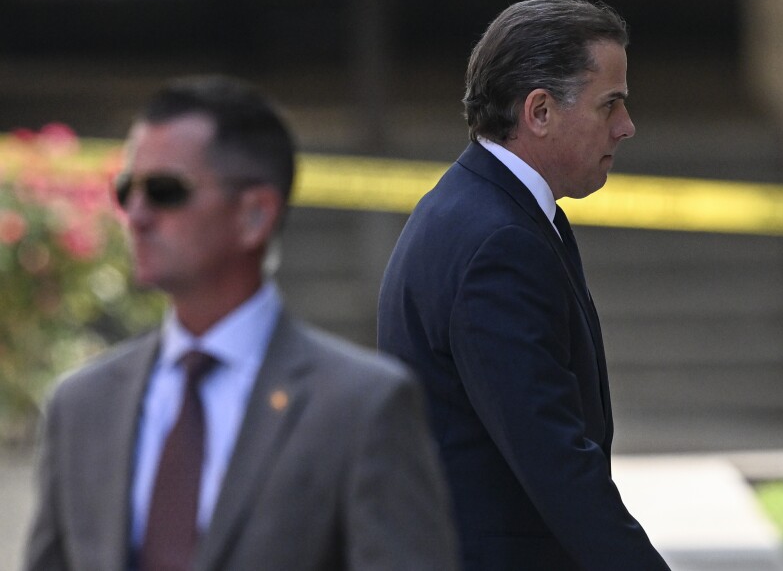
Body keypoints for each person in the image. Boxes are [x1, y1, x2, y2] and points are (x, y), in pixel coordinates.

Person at [25, 75, 459, 571]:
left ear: (255, 214)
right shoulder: (82, 406)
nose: (137, 214)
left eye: (165, 191)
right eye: (126, 190)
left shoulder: (361, 406)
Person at [377, 0, 669, 570]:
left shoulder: (485, 208)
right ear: (539, 111)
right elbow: (555, 460)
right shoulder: (498, 241)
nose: (627, 126)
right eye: (609, 105)